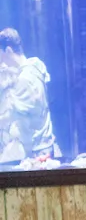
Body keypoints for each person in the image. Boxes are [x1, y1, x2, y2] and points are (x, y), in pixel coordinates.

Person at [0, 27, 56, 166]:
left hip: (37, 152)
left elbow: (11, 116)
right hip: (45, 145)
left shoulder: (24, 79)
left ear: (8, 50)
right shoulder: (37, 65)